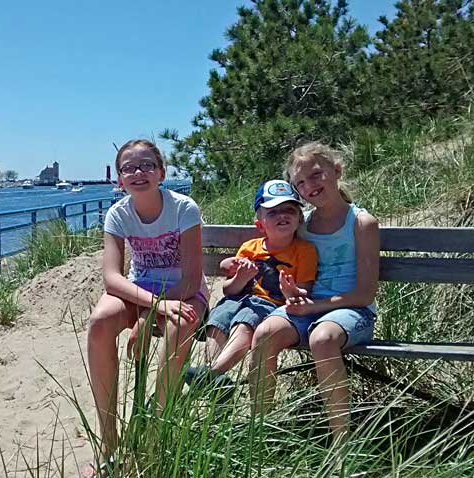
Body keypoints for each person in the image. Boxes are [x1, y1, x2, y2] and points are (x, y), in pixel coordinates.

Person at [83, 139, 207, 477]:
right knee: (100, 322)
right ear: (119, 179)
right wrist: (150, 309)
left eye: (147, 165)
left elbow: (193, 279)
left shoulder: (183, 209)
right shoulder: (118, 214)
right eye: (128, 168)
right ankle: (109, 442)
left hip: (184, 291)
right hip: (144, 293)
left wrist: (152, 315)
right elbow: (112, 278)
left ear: (162, 172)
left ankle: (156, 432)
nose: (138, 172)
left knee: (178, 325)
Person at [249, 142, 379, 443]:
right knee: (265, 333)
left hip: (352, 312)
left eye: (317, 175)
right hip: (308, 307)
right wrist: (291, 291)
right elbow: (281, 256)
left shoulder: (361, 222)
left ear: (337, 171)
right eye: (301, 183)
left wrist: (312, 307)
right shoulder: (302, 225)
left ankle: (341, 446)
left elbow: (365, 294)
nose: (310, 186)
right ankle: (259, 436)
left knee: (322, 339)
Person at [185, 180, 317, 395]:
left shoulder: (305, 251)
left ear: (299, 219)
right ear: (260, 224)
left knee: (244, 323)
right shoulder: (249, 248)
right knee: (218, 318)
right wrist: (241, 277)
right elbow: (229, 290)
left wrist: (291, 292)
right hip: (238, 299)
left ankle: (211, 374)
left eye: (289, 211)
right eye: (273, 212)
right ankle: (217, 380)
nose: (282, 215)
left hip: (270, 305)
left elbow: (304, 291)